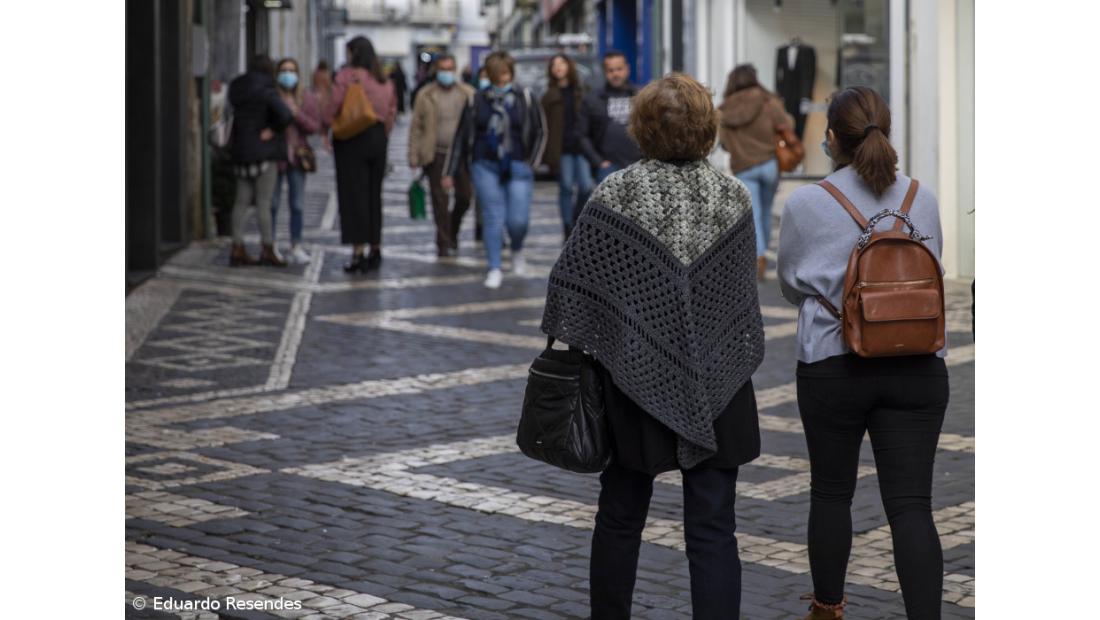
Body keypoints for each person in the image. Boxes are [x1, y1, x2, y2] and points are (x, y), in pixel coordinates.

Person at [540, 73, 764, 620]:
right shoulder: (731, 195)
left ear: (641, 128)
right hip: (718, 383)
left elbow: (568, 288)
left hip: (631, 381)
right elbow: (738, 299)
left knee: (620, 516)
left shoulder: (615, 193)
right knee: (713, 529)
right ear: (708, 128)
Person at [776, 86, 948, 620]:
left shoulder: (806, 202)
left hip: (834, 364)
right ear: (885, 134)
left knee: (831, 493)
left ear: (832, 139)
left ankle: (827, 608)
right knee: (912, 506)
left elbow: (789, 284)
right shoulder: (922, 196)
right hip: (918, 365)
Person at [443, 51, 546, 289]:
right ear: (489, 75)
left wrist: (533, 161)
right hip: (484, 165)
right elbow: (461, 137)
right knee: (492, 217)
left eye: (506, 75)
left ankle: (517, 249)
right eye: (498, 76)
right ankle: (495, 267)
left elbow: (541, 131)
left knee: (518, 221)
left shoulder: (526, 97)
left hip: (519, 165)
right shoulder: (476, 100)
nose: (502, 81)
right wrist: (449, 171)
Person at [323, 36, 397, 273]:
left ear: (353, 53)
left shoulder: (347, 76)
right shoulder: (384, 81)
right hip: (377, 139)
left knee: (353, 196)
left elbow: (333, 105)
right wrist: (383, 132)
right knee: (374, 195)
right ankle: (376, 248)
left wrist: (327, 126)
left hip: (352, 139)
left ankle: (358, 252)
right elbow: (392, 112)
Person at [718, 64, 795, 281]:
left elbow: (723, 143)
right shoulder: (768, 101)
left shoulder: (725, 110)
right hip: (770, 164)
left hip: (744, 166)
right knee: (766, 211)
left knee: (753, 214)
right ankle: (762, 255)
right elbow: (787, 124)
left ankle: (758, 256)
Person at [228, 54, 293, 267]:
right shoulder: (266, 89)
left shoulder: (237, 88)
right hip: (263, 153)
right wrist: (272, 130)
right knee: (264, 202)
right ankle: (267, 248)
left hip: (240, 151)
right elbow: (285, 114)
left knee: (241, 201)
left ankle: (237, 247)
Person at [408, 53, 475, 257]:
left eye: (450, 69)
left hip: (462, 156)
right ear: (436, 71)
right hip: (436, 154)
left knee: (465, 197)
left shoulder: (468, 93)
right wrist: (413, 156)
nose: (447, 73)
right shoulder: (425, 95)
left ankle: (452, 228)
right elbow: (416, 127)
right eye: (443, 69)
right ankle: (443, 243)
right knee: (440, 200)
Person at [270, 57, 321, 265]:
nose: (288, 75)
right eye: (284, 70)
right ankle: (271, 244)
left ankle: (296, 245)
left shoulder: (305, 97)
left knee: (297, 204)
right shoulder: (272, 97)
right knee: (272, 204)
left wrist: (296, 114)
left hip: (298, 157)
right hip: (276, 156)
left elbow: (313, 126)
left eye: (292, 71)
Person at [541, 53, 593, 239]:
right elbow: (544, 127)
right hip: (562, 148)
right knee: (566, 187)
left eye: (561, 63)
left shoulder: (583, 90)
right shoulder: (549, 96)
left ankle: (576, 218)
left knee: (586, 187)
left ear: (569, 66)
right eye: (554, 64)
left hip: (582, 146)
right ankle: (567, 227)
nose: (558, 67)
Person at [579, 50, 642, 184]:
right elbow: (582, 135)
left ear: (627, 69)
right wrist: (598, 162)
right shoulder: (592, 99)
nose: (615, 74)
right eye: (611, 70)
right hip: (608, 167)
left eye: (619, 69)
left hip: (639, 165)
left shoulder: (642, 96)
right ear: (605, 72)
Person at [311, 60, 333, 152]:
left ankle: (320, 133)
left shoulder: (315, 74)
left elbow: (313, 84)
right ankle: (325, 137)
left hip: (316, 95)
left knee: (318, 115)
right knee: (325, 117)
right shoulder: (326, 74)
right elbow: (329, 86)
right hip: (325, 97)